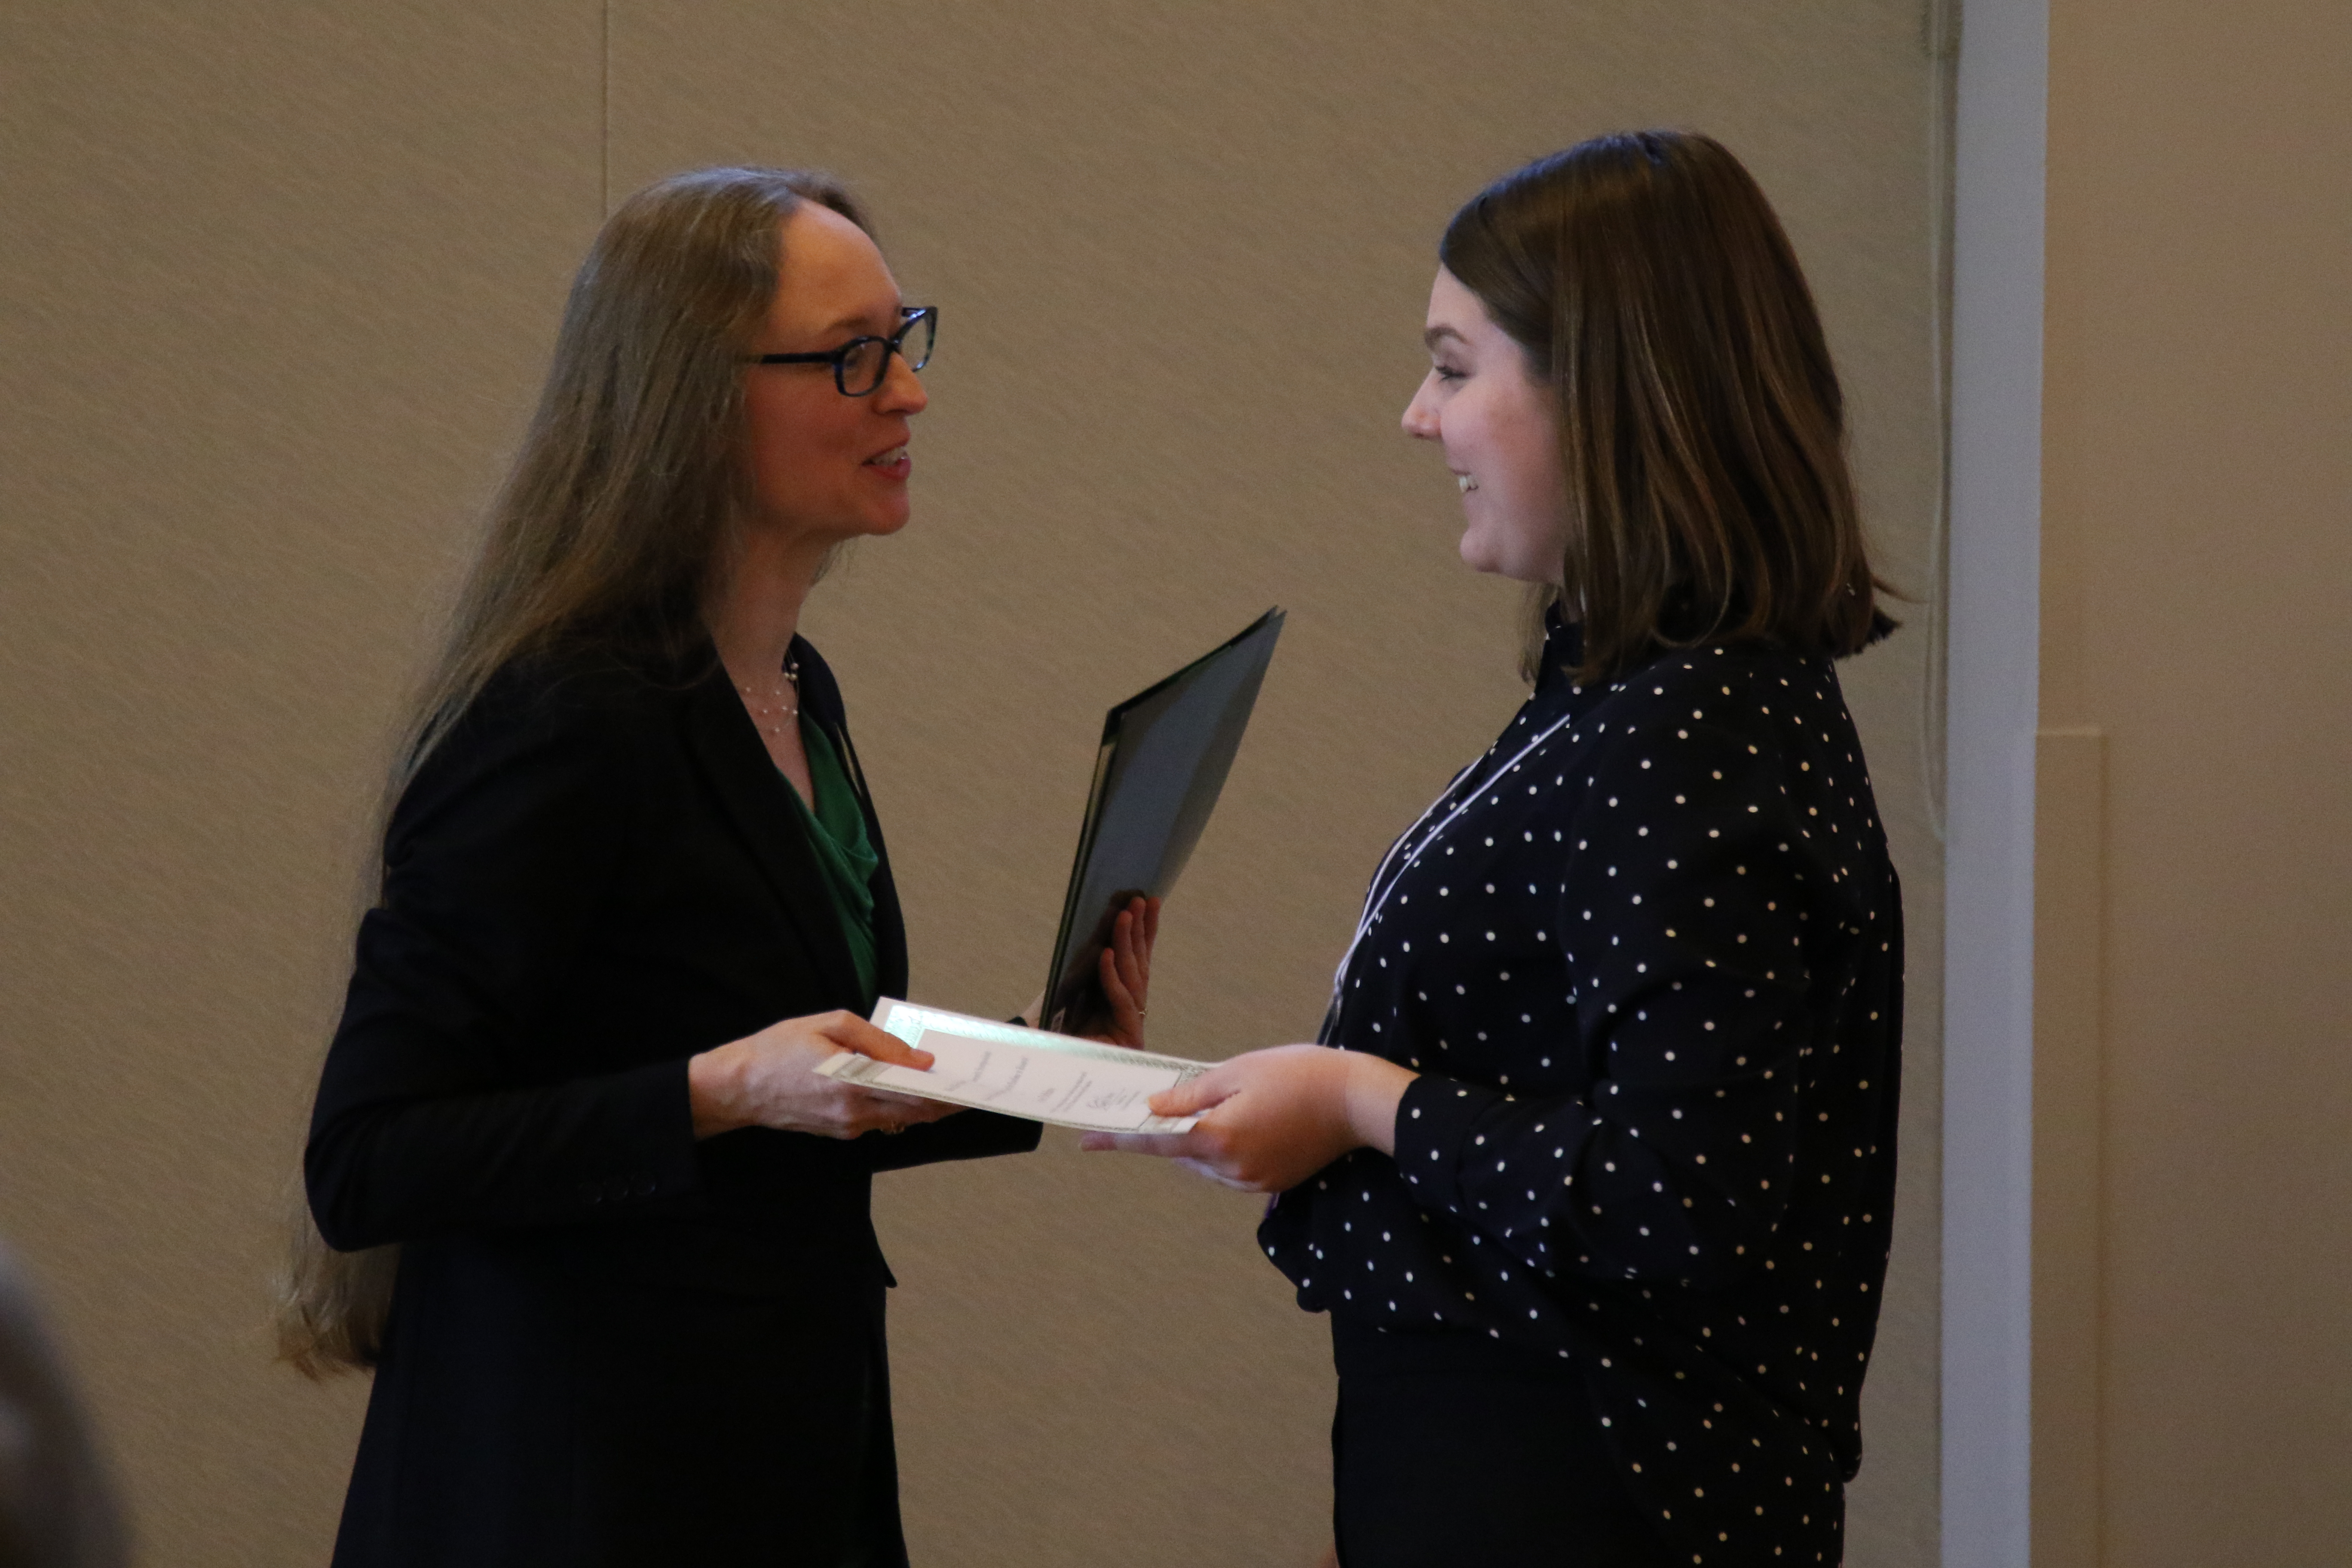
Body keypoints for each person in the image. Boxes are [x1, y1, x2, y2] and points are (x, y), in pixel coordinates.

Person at [280, 166, 1155, 1567]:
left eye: (905, 339)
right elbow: (370, 1161)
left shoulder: (799, 689)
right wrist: (718, 1089)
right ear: (693, 400)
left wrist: (1055, 1066)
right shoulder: (558, 718)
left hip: (771, 1457)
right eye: (853, 358)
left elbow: (815, 1081)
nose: (909, 395)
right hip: (577, 1488)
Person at [1087, 131, 1902, 1567]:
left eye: (1456, 368)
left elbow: (1670, 1207)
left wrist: (1357, 1102)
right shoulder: (1626, 694)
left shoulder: (1693, 731)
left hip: (1595, 1486)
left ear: (1606, 394)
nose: (1419, 418)